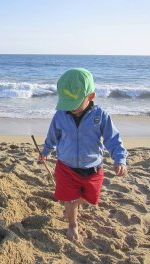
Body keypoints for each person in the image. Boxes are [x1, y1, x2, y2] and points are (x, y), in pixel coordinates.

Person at [40, 68, 128, 241]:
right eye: (66, 103)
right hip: (66, 166)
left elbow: (113, 138)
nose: (70, 108)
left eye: (74, 103)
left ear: (91, 96)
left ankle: (72, 201)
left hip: (93, 168)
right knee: (71, 200)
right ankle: (73, 224)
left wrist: (120, 158)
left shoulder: (100, 116)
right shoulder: (60, 115)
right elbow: (52, 136)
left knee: (89, 199)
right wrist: (45, 151)